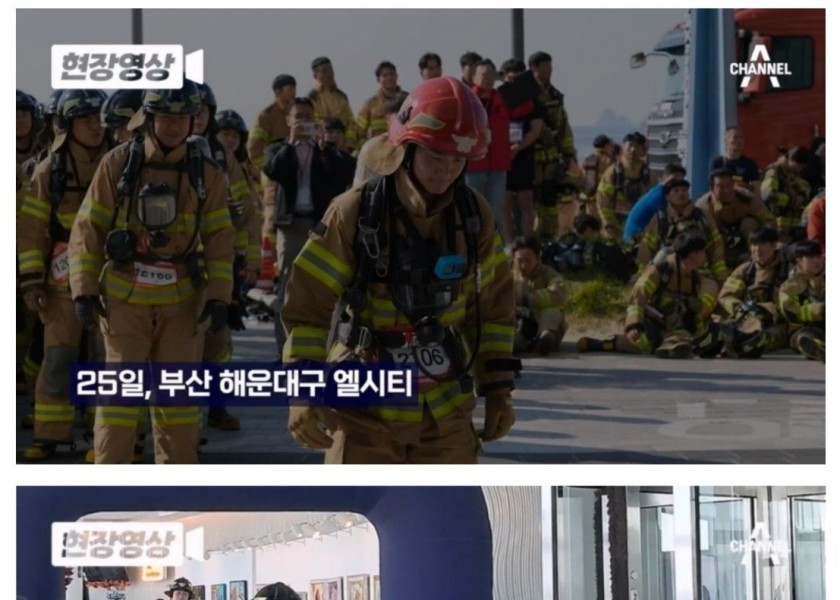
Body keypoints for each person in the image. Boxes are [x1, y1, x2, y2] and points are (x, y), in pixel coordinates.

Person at [282, 76, 518, 463]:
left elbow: (492, 311)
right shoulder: (353, 212)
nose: (446, 171)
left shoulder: (475, 217)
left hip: (445, 411)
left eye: (458, 160)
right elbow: (307, 308)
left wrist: (498, 391)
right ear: (407, 149)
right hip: (362, 410)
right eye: (436, 157)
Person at [68, 81, 236, 464]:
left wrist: (219, 298)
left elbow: (220, 239)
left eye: (182, 118)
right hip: (125, 302)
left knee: (177, 405)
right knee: (119, 401)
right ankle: (110, 487)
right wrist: (84, 291)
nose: (174, 126)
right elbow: (88, 230)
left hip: (182, 305)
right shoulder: (117, 164)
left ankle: (174, 489)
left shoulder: (205, 173)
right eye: (166, 117)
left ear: (194, 119)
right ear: (149, 117)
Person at [18, 89, 110, 461]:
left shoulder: (119, 163)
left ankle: (102, 435)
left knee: (104, 363)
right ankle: (49, 434)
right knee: (57, 359)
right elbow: (31, 229)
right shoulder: (48, 170)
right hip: (60, 284)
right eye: (85, 118)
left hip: (111, 282)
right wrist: (30, 282)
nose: (94, 125)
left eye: (98, 117)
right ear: (67, 125)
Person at [263, 97, 355, 355]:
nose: (303, 121)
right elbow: (272, 169)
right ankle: (284, 349)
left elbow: (346, 172)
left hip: (319, 226)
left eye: (307, 117)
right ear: (289, 121)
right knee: (287, 286)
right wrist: (292, 144)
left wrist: (326, 147)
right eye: (298, 117)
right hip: (291, 225)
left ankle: (326, 348)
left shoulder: (323, 151)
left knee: (323, 285)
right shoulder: (279, 148)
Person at [578, 229, 721, 359]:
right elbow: (637, 297)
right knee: (641, 344)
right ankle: (600, 344)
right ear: (692, 253)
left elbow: (693, 310)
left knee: (687, 336)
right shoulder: (660, 271)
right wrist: (634, 325)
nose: (705, 256)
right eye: (702, 251)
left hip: (676, 325)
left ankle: (672, 345)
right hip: (651, 321)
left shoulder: (694, 278)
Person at [635, 178, 728, 285]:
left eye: (684, 190)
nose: (681, 193)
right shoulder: (659, 219)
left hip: (698, 270)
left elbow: (716, 245)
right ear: (667, 196)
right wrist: (643, 272)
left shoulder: (702, 215)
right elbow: (646, 248)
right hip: (668, 269)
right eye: (676, 190)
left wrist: (720, 276)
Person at [717, 226, 789, 357]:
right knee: (721, 329)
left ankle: (745, 345)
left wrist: (768, 310)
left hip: (777, 323)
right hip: (747, 318)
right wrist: (740, 308)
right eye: (754, 244)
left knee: (763, 337)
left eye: (762, 244)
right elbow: (726, 296)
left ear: (774, 246)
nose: (757, 249)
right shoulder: (745, 270)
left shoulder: (789, 269)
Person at [529, 51, 577, 240]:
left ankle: (549, 236)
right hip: (530, 157)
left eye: (551, 67)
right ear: (534, 68)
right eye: (546, 67)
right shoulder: (525, 94)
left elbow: (564, 125)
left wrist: (568, 153)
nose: (550, 71)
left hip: (551, 158)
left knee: (550, 198)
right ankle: (531, 238)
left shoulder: (556, 94)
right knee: (532, 199)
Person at [499, 58, 544, 247]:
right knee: (505, 205)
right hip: (502, 158)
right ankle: (510, 245)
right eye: (511, 78)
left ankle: (527, 243)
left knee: (526, 204)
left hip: (524, 156)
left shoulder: (533, 101)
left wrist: (518, 148)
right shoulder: (497, 98)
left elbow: (536, 130)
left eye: (518, 77)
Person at [694, 168, 776, 268]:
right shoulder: (702, 207)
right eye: (721, 187)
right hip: (718, 240)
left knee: (749, 223)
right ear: (712, 189)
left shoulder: (747, 198)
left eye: (729, 185)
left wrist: (767, 243)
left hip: (745, 237)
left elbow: (769, 220)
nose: (726, 190)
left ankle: (756, 261)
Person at [465, 58, 510, 228]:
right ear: (474, 77)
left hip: (498, 165)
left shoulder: (504, 99)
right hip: (474, 166)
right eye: (484, 74)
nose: (488, 78)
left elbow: (528, 107)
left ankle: (494, 250)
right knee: (473, 209)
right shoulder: (467, 100)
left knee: (495, 211)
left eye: (492, 74)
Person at [512, 236, 567, 356]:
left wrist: (528, 299)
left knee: (552, 312)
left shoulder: (549, 274)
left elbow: (559, 295)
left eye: (528, 260)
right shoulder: (509, 276)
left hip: (544, 321)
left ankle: (545, 339)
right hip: (520, 322)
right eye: (519, 260)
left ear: (538, 258)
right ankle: (518, 341)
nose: (523, 265)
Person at [596, 131, 652, 241]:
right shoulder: (613, 172)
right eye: (630, 145)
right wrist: (608, 223)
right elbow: (603, 199)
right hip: (615, 228)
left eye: (636, 146)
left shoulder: (648, 173)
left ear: (643, 150)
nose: (632, 150)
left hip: (640, 228)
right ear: (623, 147)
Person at [778, 239, 825, 362]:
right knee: (806, 338)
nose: (816, 260)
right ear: (799, 262)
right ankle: (820, 351)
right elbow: (791, 313)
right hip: (803, 328)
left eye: (818, 256)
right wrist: (819, 310)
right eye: (810, 257)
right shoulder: (789, 287)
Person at [354, 92, 408, 186]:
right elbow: (359, 188)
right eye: (401, 115)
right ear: (388, 118)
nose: (406, 120)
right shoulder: (372, 148)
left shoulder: (421, 147)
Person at [623, 163, 686, 241]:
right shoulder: (659, 195)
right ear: (664, 178)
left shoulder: (661, 191)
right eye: (674, 180)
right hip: (635, 237)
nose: (677, 184)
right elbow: (668, 219)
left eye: (681, 181)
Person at [760, 146, 812, 241]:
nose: (801, 169)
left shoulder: (795, 175)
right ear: (791, 160)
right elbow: (767, 195)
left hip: (794, 229)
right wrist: (790, 200)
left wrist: (802, 196)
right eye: (799, 165)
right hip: (777, 227)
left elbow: (805, 189)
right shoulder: (774, 172)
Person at [307, 57, 357, 151]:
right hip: (321, 146)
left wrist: (349, 143)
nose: (329, 74)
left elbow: (351, 122)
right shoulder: (312, 98)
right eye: (324, 71)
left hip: (343, 146)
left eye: (330, 70)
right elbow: (312, 123)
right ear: (315, 75)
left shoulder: (341, 96)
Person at [248, 74, 297, 171]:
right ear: (278, 92)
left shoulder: (299, 111)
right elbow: (254, 149)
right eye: (291, 89)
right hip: (276, 176)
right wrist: (270, 168)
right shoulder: (266, 116)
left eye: (295, 89)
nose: (295, 92)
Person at [355, 61, 404, 145]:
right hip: (377, 150)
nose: (389, 78)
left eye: (391, 74)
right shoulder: (369, 104)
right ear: (378, 79)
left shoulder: (407, 100)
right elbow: (359, 131)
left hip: (401, 149)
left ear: (396, 76)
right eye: (385, 75)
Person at [709, 126, 761, 196]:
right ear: (726, 141)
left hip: (743, 202)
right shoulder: (717, 162)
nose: (739, 140)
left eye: (741, 138)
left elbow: (757, 190)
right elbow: (712, 189)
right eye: (735, 137)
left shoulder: (750, 164)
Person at [579, 134, 614, 222]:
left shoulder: (588, 158)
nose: (611, 147)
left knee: (591, 226)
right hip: (602, 199)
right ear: (605, 146)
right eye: (610, 145)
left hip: (588, 199)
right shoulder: (608, 160)